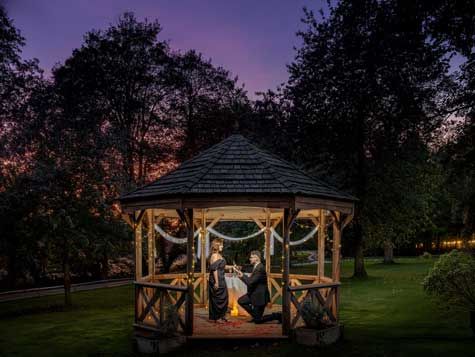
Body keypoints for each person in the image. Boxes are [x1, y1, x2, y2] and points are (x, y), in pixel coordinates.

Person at [233, 250, 282, 324]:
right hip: (253, 294)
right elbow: (250, 281)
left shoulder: (260, 268)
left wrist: (242, 275)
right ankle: (256, 316)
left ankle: (277, 316)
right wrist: (241, 275)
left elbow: (250, 282)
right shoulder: (256, 266)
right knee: (241, 301)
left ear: (257, 258)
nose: (250, 259)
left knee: (258, 321)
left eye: (251, 257)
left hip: (260, 297)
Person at [208, 238, 233, 323]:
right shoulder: (214, 255)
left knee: (224, 297)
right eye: (221, 245)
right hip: (216, 279)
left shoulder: (220, 255)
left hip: (221, 278)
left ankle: (222, 315)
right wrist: (216, 282)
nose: (223, 246)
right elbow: (214, 269)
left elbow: (222, 266)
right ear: (217, 245)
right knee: (218, 298)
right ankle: (217, 317)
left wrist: (232, 267)